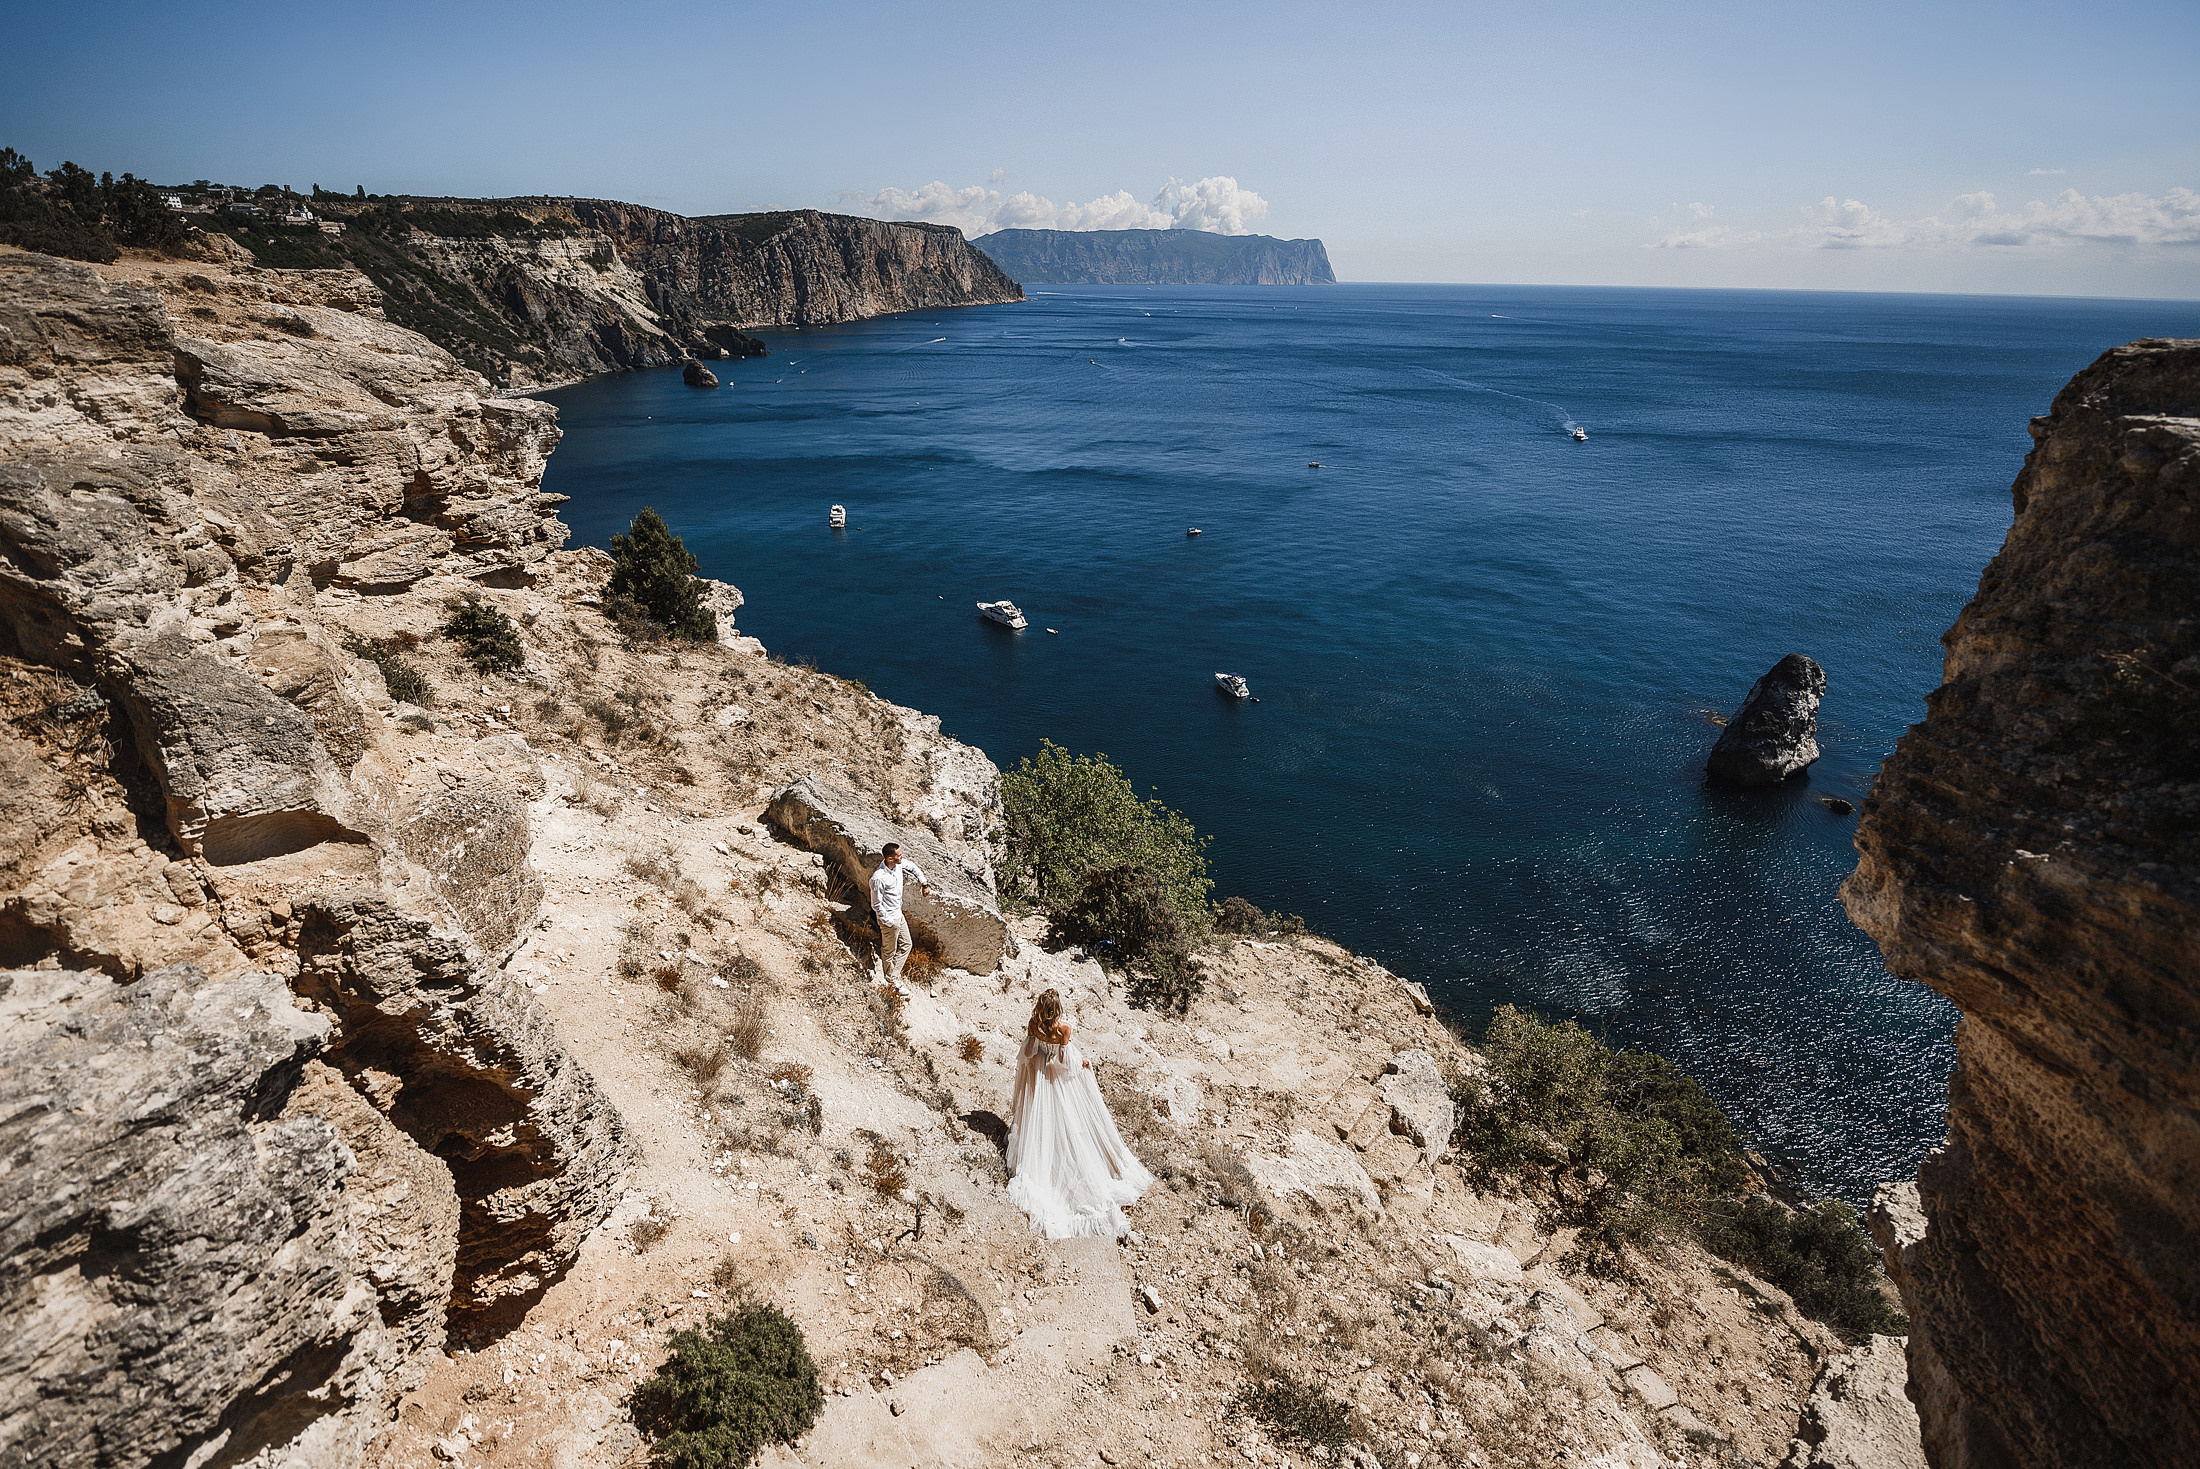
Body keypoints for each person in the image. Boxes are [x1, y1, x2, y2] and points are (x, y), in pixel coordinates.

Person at [1005, 989, 1154, 1240]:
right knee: (1069, 1120)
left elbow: (1029, 1053)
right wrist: (1081, 1062)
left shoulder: (1034, 1024)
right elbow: (1063, 1060)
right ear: (1058, 1009)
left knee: (1040, 1118)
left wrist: (1037, 1044)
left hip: (1039, 1076)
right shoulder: (1064, 1029)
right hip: (1056, 1077)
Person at [870, 842, 931, 985]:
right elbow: (876, 903)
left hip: (899, 915)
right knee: (889, 951)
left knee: (906, 945)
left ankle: (891, 975)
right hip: (889, 920)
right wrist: (888, 921)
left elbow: (913, 867)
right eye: (899, 855)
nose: (902, 857)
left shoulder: (898, 865)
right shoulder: (878, 878)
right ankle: (890, 979)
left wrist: (924, 883)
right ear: (890, 858)